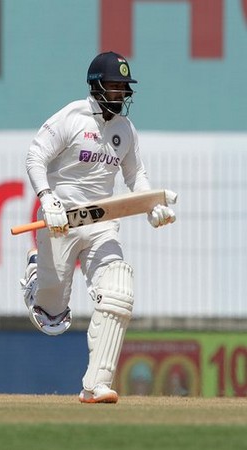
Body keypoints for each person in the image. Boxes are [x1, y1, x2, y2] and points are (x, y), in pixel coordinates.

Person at [20, 51, 176, 404]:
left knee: (119, 288)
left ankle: (96, 384)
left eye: (125, 87)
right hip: (62, 220)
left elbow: (136, 176)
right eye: (115, 85)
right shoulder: (72, 117)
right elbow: (35, 155)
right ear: (97, 85)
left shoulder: (125, 130)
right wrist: (47, 198)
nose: (121, 93)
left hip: (103, 221)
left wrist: (152, 205)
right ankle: (36, 282)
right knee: (52, 318)